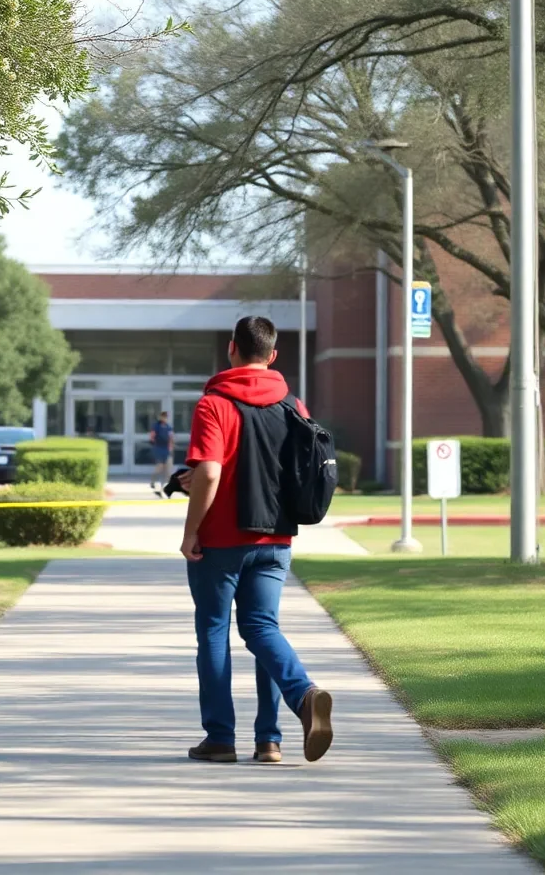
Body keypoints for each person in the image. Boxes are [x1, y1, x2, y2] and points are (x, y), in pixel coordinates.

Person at [180, 315, 333, 765]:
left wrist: (191, 531)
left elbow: (210, 471)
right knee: (263, 629)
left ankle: (220, 738)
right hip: (277, 539)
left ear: (231, 349)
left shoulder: (214, 403)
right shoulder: (293, 405)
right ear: (273, 355)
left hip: (220, 541)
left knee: (213, 631)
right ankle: (274, 734)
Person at [149, 411, 174, 492]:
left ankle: (165, 486)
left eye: (166, 417)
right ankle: (153, 481)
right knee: (159, 467)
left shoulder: (168, 427)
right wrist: (153, 442)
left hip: (166, 449)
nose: (164, 418)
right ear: (160, 417)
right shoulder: (156, 426)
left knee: (167, 468)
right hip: (158, 448)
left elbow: (171, 438)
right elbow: (152, 435)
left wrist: (170, 448)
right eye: (163, 416)